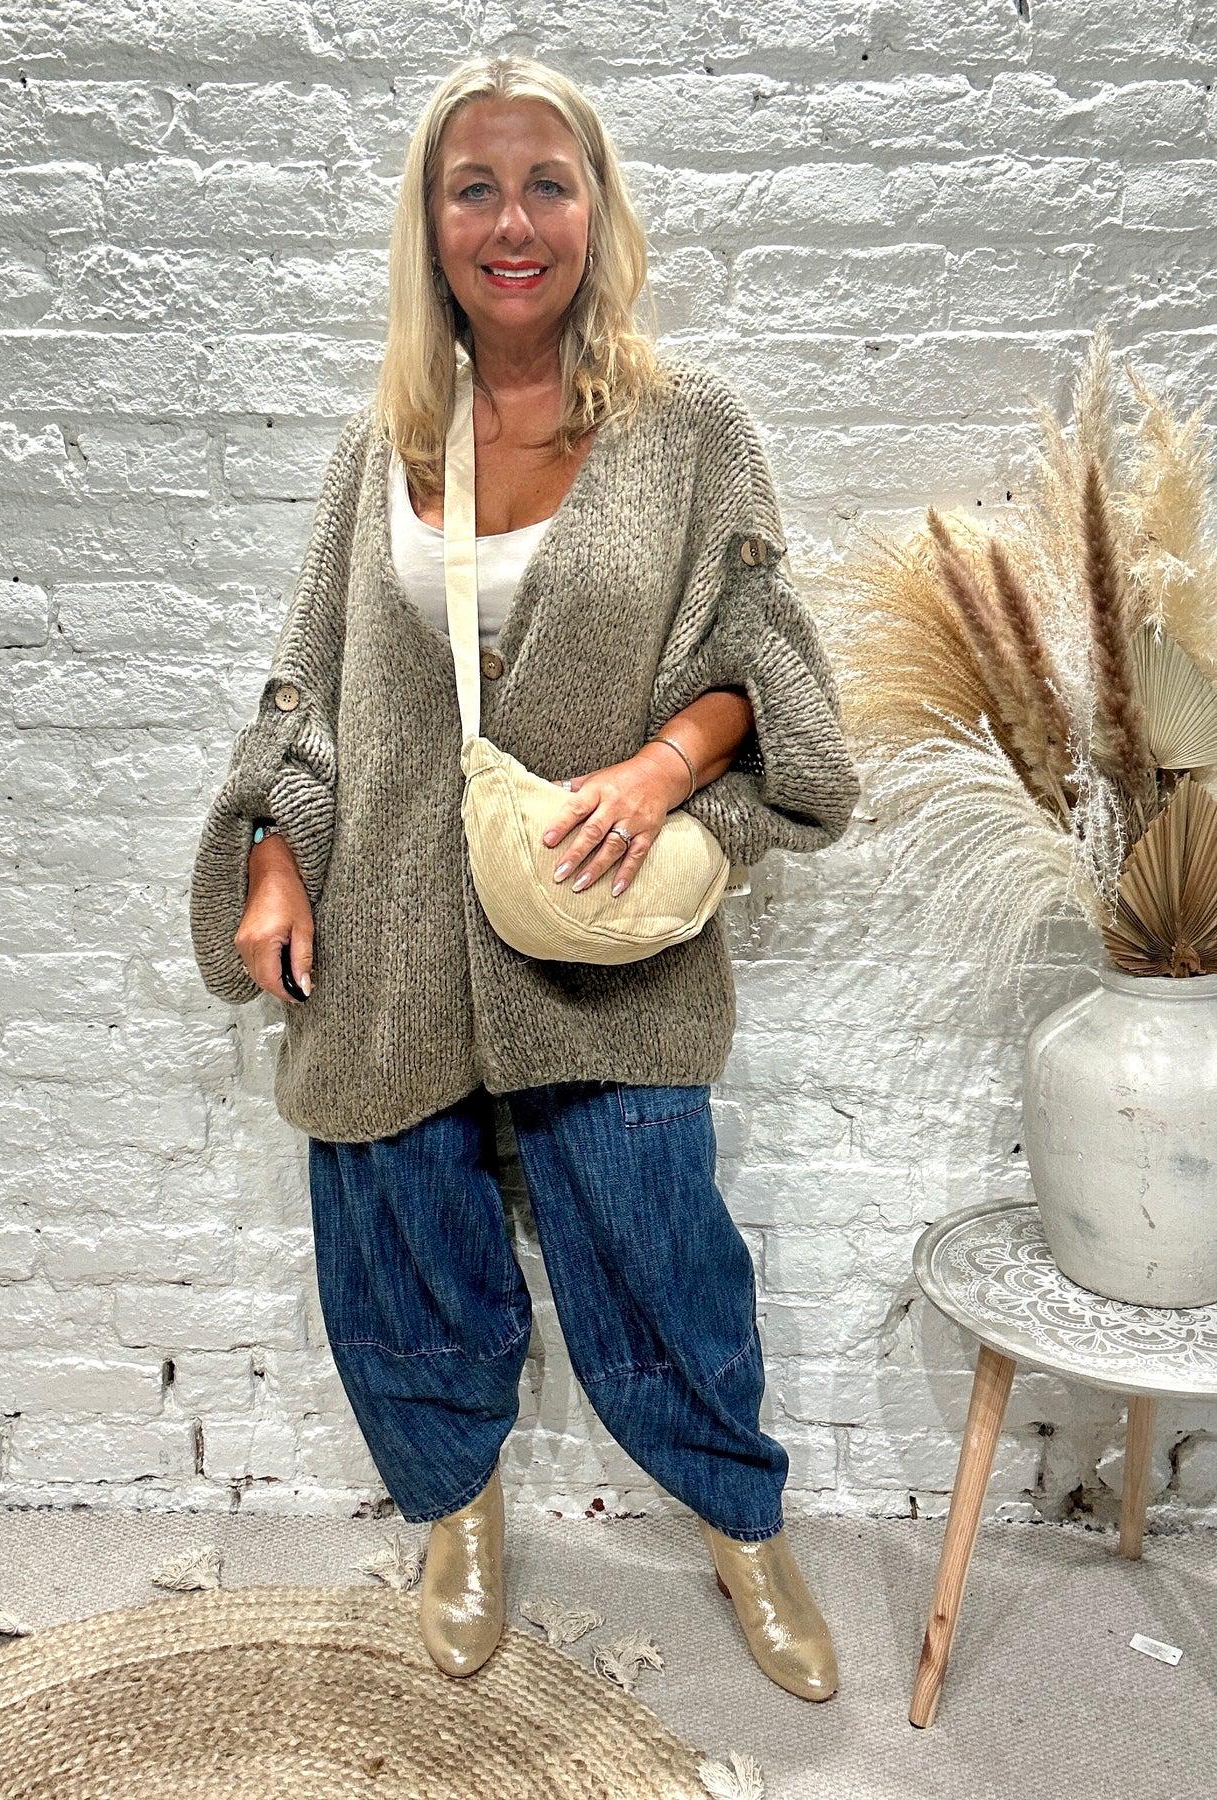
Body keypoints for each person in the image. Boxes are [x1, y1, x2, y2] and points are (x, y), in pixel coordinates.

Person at [189, 53, 859, 1702]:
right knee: (398, 1239)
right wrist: (276, 859)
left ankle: (740, 1521)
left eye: (545, 184)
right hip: (392, 936)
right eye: (472, 187)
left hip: (599, 928)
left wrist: (661, 767)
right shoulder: (386, 444)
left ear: (595, 210)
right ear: (429, 223)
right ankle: (460, 1515)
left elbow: (760, 657)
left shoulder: (689, 432)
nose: (511, 221)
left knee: (659, 1249)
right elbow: (311, 686)